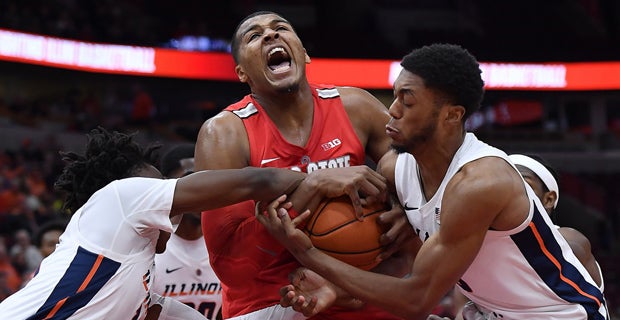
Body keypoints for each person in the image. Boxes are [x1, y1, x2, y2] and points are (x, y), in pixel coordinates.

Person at [257, 43, 610, 319]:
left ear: (452, 115)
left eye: (406, 101)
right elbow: (391, 255)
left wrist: (307, 253)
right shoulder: (395, 169)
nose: (392, 110)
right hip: (489, 312)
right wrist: (334, 286)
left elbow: (416, 301)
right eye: (393, 96)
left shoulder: (481, 182)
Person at [195, 10, 413, 320]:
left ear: (305, 54)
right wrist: (310, 187)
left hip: (359, 292)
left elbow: (418, 171)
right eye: (254, 36)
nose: (271, 35)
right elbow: (232, 268)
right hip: (272, 302)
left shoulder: (356, 107)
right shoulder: (225, 134)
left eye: (280, 28)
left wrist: (409, 207)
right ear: (242, 73)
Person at [0, 126, 309, 319]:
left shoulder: (139, 292)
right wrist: (321, 180)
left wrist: (307, 300)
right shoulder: (119, 196)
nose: (171, 211)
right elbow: (258, 179)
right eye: (157, 187)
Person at [508, 154, 605, 291]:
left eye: (524, 185)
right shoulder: (479, 238)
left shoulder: (569, 242)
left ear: (548, 199)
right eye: (504, 185)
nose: (508, 192)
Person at [152, 143, 223, 320]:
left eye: (206, 181)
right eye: (191, 179)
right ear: (167, 184)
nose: (200, 190)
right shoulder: (149, 250)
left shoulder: (227, 244)